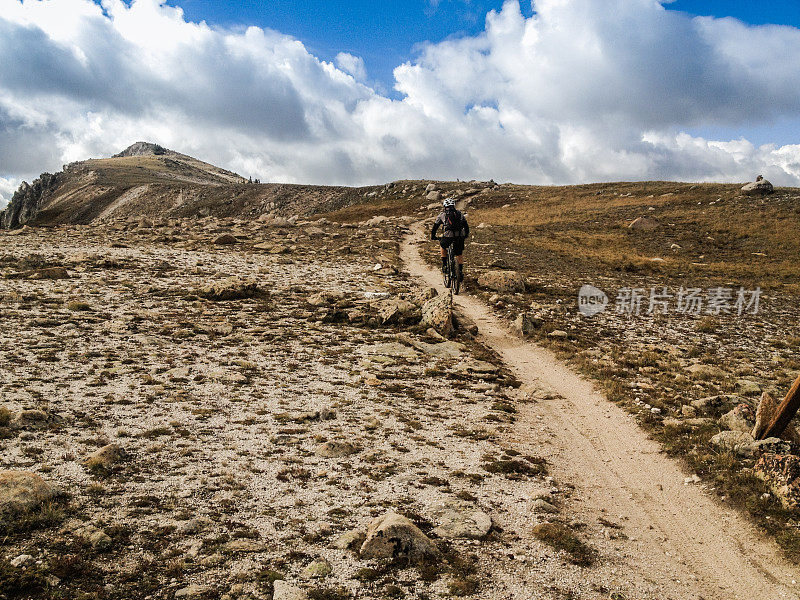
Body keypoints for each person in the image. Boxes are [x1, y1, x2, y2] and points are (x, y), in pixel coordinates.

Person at [431, 198, 469, 281]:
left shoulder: (442, 215)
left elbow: (435, 227)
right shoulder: (459, 214)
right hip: (459, 236)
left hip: (448, 237)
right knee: (459, 253)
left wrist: (433, 236)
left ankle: (444, 265)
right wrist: (465, 235)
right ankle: (460, 271)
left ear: (444, 206)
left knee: (443, 246)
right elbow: (466, 226)